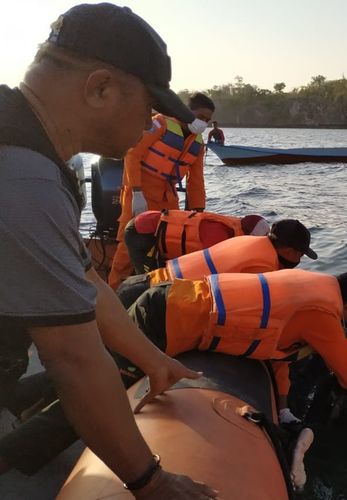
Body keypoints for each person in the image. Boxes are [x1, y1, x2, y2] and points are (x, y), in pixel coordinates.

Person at [0, 4, 216, 497]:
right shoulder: (25, 179)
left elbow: (84, 278)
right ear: (100, 89)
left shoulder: (23, 144)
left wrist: (153, 360)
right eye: (150, 108)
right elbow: (72, 357)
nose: (150, 125)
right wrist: (151, 480)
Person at [116, 269, 347, 485]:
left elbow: (277, 354)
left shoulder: (311, 288)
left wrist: (283, 407)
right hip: (163, 318)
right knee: (106, 390)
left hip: (173, 299)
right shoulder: (322, 312)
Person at [107, 91, 216, 289]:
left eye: (207, 120)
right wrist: (137, 193)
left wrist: (198, 212)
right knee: (127, 244)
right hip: (140, 190)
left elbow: (196, 180)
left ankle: (156, 291)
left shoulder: (198, 144)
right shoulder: (159, 124)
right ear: (186, 111)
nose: (203, 123)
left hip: (168, 196)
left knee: (168, 243)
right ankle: (114, 292)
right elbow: (132, 154)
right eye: (200, 117)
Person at [117, 218, 318, 308]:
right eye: (299, 255)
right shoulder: (263, 266)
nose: (298, 262)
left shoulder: (247, 241)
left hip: (142, 282)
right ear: (289, 250)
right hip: (151, 297)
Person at [122, 209, 271, 274]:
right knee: (147, 280)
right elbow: (207, 268)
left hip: (154, 227)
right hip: (142, 231)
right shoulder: (219, 236)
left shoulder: (236, 229)